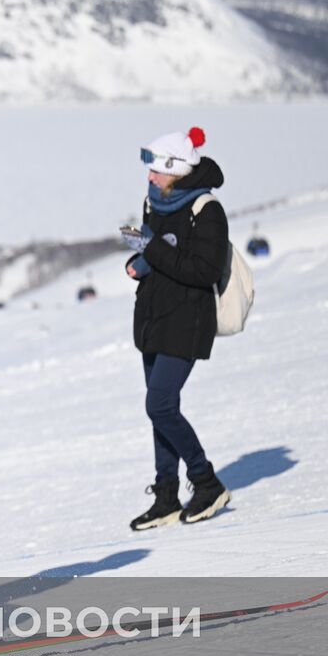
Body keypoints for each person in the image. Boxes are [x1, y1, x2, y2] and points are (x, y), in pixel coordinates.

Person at [122, 127, 231, 531]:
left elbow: (203, 271)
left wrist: (151, 250)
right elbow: (163, 254)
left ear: (177, 170)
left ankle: (206, 482)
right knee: (160, 408)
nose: (149, 178)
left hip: (188, 322)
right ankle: (167, 495)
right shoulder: (156, 203)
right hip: (154, 317)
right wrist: (140, 264)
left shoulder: (206, 209)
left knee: (160, 405)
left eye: (156, 171)